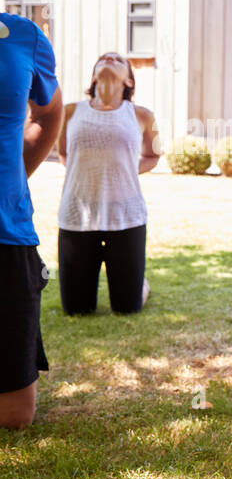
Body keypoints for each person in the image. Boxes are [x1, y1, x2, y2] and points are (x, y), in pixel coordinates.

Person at [55, 52, 159, 315]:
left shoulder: (144, 116)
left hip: (127, 216)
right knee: (76, 311)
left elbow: (153, 155)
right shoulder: (69, 112)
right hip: (77, 214)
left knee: (127, 308)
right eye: (103, 58)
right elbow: (63, 152)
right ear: (93, 76)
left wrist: (125, 170)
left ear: (129, 82)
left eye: (118, 59)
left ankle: (139, 285)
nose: (109, 59)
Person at [0, 11, 62, 429]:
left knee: (14, 417)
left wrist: (15, 178)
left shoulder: (23, 36)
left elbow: (48, 113)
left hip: (8, 231)